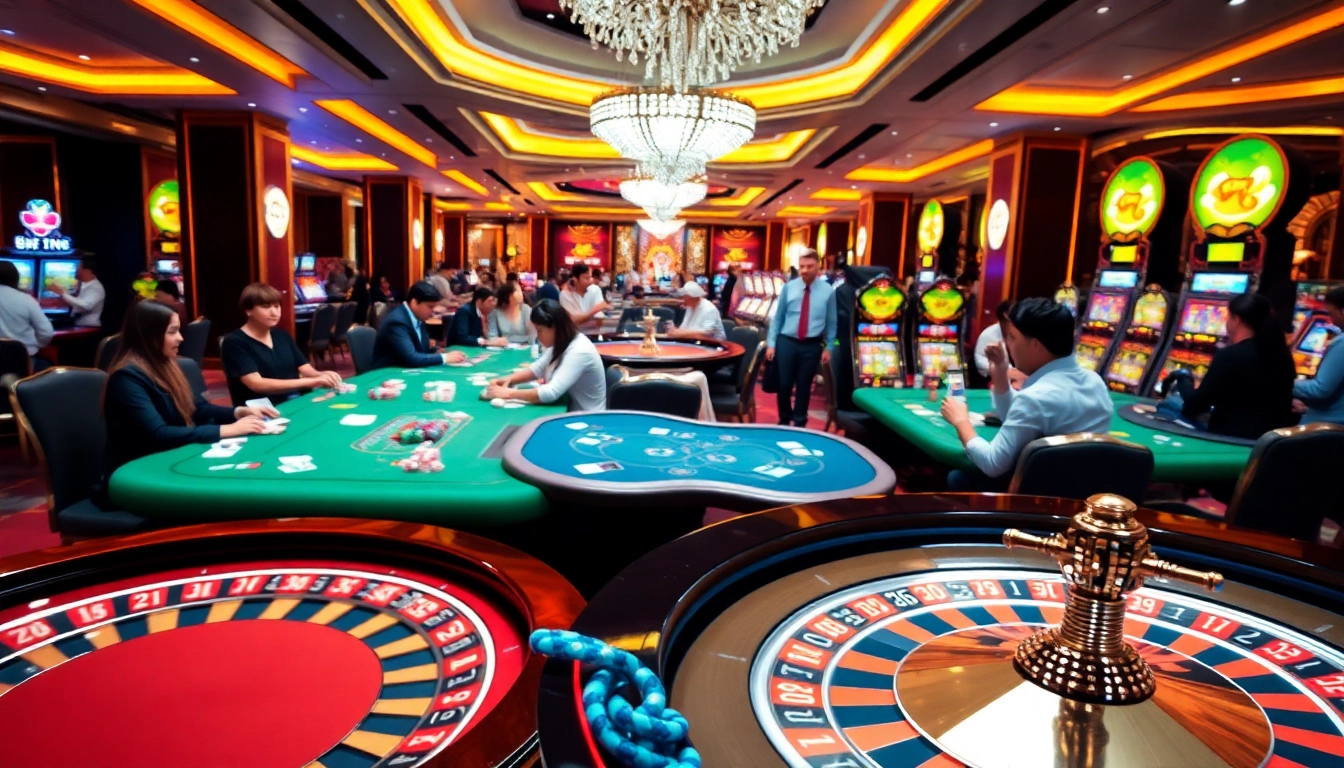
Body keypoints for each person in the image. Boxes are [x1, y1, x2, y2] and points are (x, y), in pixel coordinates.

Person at [940, 298, 1113, 491]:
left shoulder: (1036, 397)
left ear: (1035, 345)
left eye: (1013, 337)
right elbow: (1020, 418)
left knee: (958, 477)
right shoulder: (1096, 382)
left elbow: (992, 464)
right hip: (1082, 499)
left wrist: (961, 420)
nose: (1008, 343)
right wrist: (1000, 373)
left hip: (1035, 504)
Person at [102, 300, 278, 477]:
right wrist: (227, 430)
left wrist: (238, 412)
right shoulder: (126, 377)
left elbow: (198, 408)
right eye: (172, 332)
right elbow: (158, 434)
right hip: (139, 476)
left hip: (170, 460)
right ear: (148, 335)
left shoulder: (166, 365)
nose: (181, 338)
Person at [1169, 292, 1296, 440]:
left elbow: (1195, 405)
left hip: (1229, 440)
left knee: (1169, 405)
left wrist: (1183, 377)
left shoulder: (1229, 355)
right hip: (1268, 445)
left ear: (1237, 319)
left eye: (1228, 316)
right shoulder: (1283, 355)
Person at [221, 283, 343, 405]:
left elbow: (305, 368)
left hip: (294, 400)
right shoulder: (234, 342)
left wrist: (322, 375)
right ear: (248, 310)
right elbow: (256, 384)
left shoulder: (282, 336)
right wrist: (311, 381)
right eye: (265, 307)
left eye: (277, 306)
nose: (274, 313)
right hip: (260, 411)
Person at [485, 299, 606, 412]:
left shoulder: (579, 350)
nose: (538, 336)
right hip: (573, 411)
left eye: (539, 330)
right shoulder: (561, 342)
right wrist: (508, 379)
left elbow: (550, 393)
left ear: (554, 327)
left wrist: (507, 393)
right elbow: (537, 369)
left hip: (588, 419)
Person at [767, 249, 837, 427]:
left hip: (812, 344)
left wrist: (829, 347)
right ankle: (784, 419)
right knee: (783, 384)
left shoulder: (828, 291)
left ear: (818, 266)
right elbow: (778, 317)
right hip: (787, 341)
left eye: (809, 266)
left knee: (804, 386)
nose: (805, 270)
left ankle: (800, 422)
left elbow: (831, 322)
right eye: (802, 266)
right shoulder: (789, 287)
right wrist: (771, 343)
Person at [372, 281, 467, 369]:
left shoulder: (417, 316)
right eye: (430, 307)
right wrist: (444, 357)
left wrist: (435, 351)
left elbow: (421, 349)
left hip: (404, 369)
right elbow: (412, 358)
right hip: (386, 374)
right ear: (414, 303)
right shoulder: (397, 322)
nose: (433, 311)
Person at [1294, 285, 1344, 425]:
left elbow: (1319, 389)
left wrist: (1284, 383)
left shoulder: (1341, 343)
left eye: (1331, 313)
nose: (1330, 319)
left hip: (1327, 426)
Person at [0, 260, 54, 370]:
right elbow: (46, 332)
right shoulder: (26, 300)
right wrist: (36, 345)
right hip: (23, 361)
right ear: (15, 278)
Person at [47, 257, 104, 327]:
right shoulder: (83, 285)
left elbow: (85, 306)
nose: (75, 270)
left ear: (87, 271)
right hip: (78, 324)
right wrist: (64, 293)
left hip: (88, 327)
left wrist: (62, 293)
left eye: (78, 268)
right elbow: (77, 303)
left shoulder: (96, 287)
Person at [973, 300, 1012, 378]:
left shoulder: (1019, 333)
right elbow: (979, 360)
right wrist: (1004, 370)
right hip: (990, 378)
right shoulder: (988, 334)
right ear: (1004, 317)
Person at [489, 280, 535, 345]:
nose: (521, 293)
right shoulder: (495, 313)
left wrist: (507, 339)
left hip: (525, 349)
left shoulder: (526, 310)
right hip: (504, 350)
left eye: (521, 290)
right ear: (508, 295)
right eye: (517, 291)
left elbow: (533, 337)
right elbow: (491, 337)